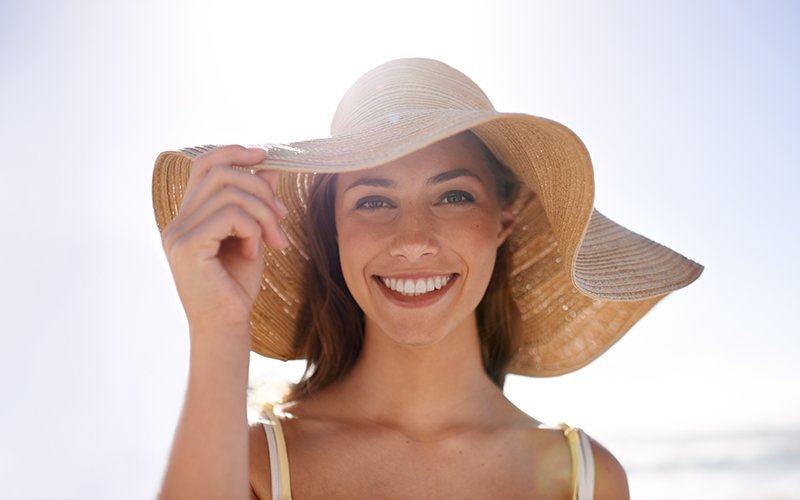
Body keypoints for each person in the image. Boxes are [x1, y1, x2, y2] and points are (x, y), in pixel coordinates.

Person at [152, 58, 702, 499]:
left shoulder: (587, 480)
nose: (412, 239)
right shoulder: (256, 466)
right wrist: (219, 326)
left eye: (454, 195)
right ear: (335, 228)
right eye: (373, 200)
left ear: (502, 223)